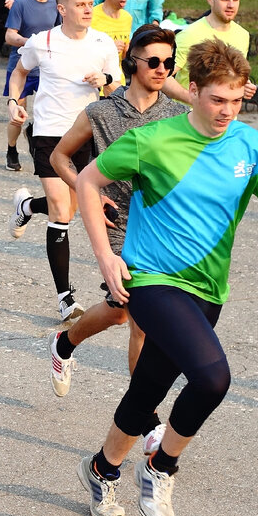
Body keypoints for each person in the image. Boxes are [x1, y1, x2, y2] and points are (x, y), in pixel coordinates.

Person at [74, 38, 258, 516]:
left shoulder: (250, 146)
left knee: (149, 388)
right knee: (212, 378)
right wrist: (105, 257)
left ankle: (101, 469)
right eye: (216, 99)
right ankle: (161, 468)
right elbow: (87, 181)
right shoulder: (154, 141)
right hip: (153, 280)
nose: (228, 110)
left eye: (236, 99)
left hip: (208, 289)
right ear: (195, 90)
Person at [46, 26, 187, 411]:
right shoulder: (102, 112)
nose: (161, 69)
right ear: (132, 63)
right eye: (153, 61)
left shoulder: (178, 115)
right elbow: (59, 157)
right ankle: (145, 415)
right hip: (117, 221)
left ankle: (65, 343)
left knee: (122, 312)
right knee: (139, 317)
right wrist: (89, 192)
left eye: (168, 63)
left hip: (161, 226)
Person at [5, 0, 120, 322]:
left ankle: (26, 205)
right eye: (81, 4)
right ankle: (66, 298)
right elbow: (19, 71)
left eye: (90, 3)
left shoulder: (103, 43)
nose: (88, 9)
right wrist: (14, 101)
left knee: (69, 209)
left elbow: (116, 84)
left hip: (87, 134)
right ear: (62, 9)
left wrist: (105, 82)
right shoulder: (43, 42)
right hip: (50, 134)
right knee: (60, 210)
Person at [2, 0, 60, 171]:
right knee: (18, 114)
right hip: (22, 67)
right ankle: (11, 149)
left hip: (47, 67)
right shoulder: (21, 2)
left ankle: (41, 145)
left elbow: (60, 33)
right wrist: (33, 43)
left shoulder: (56, 2)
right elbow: (10, 36)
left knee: (48, 113)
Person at [169, 0, 254, 97]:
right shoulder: (189, 35)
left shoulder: (243, 35)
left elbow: (235, 76)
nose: (231, 5)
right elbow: (163, 77)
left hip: (226, 114)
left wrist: (244, 87)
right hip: (190, 113)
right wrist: (191, 99)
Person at [91, 0, 133, 78]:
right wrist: (109, 48)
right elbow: (81, 53)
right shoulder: (91, 17)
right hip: (96, 86)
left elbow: (123, 57)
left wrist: (128, 51)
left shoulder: (127, 18)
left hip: (118, 83)